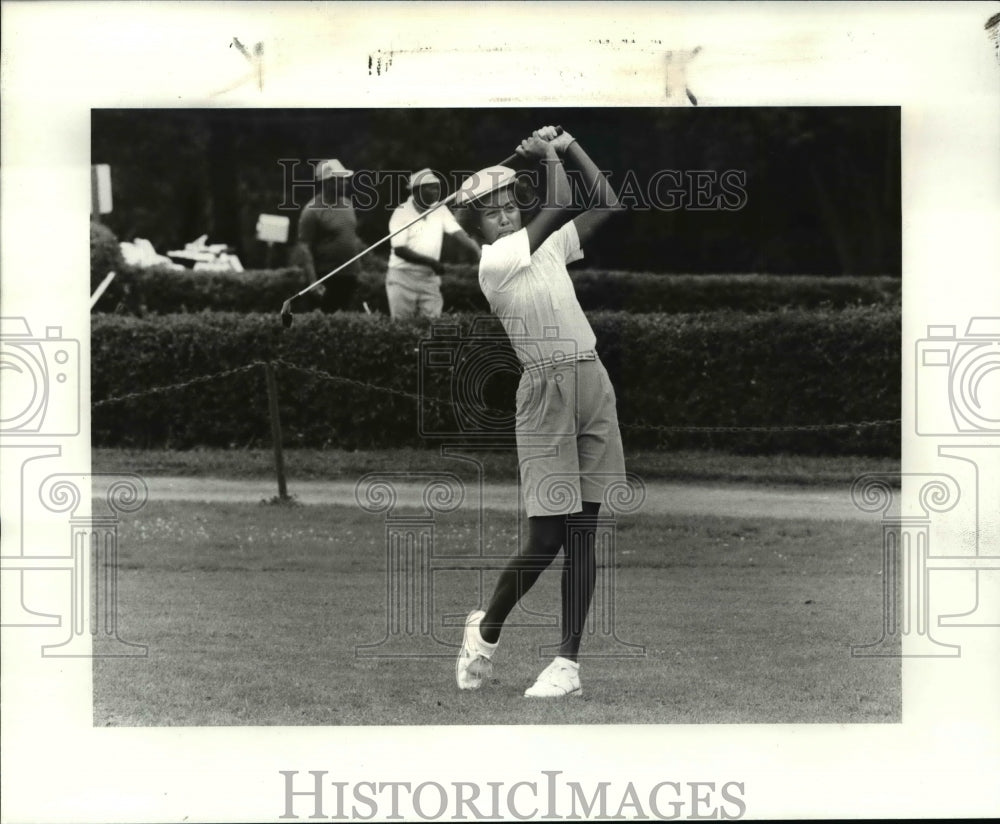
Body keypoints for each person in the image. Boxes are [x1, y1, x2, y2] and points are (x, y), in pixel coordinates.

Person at [454, 126, 625, 698]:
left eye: (508, 206)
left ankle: (566, 664)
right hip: (545, 394)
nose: (503, 217)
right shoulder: (497, 262)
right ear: (475, 226)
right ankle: (486, 629)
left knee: (583, 533)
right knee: (545, 539)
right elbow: (557, 202)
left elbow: (606, 200)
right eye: (491, 212)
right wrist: (548, 155)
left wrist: (573, 144)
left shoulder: (546, 245)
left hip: (591, 380)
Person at [386, 169, 481, 320]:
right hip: (402, 277)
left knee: (432, 321)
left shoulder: (440, 209)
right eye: (431, 187)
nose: (436, 191)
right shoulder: (401, 212)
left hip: (429, 278)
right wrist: (431, 262)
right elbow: (400, 250)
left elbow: (458, 232)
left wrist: (477, 249)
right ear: (417, 190)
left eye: (437, 187)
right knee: (402, 323)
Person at [292, 158, 366, 312]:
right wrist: (313, 282)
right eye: (341, 180)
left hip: (350, 276)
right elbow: (305, 247)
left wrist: (358, 269)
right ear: (329, 182)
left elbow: (350, 237)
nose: (345, 183)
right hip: (327, 277)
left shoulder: (348, 204)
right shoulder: (311, 211)